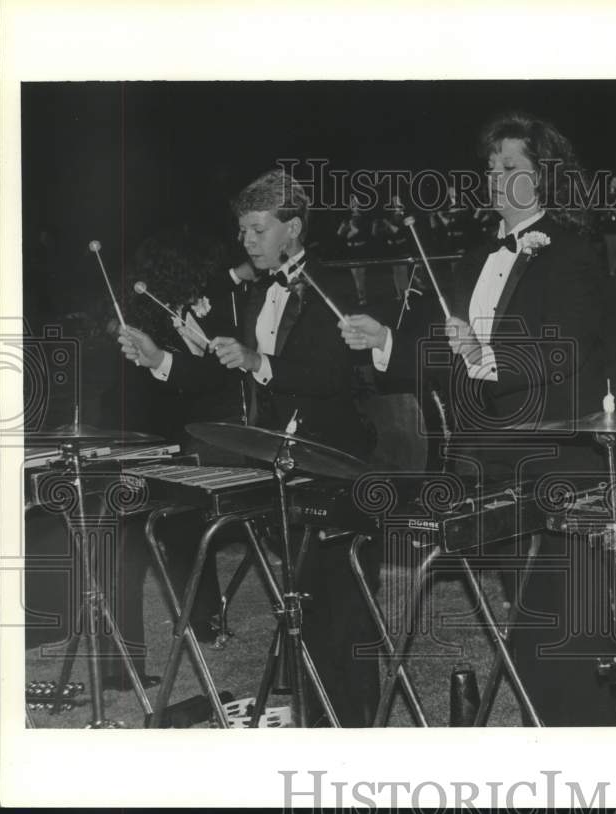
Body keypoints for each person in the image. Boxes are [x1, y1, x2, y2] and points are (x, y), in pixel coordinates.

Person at [340, 112, 616, 726]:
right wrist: (385, 340)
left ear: (545, 178)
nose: (496, 178)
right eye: (492, 168)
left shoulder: (574, 253)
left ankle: (591, 744)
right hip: (487, 460)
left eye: (512, 167)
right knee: (524, 614)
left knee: (566, 622)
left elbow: (562, 347)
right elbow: (444, 352)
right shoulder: (474, 256)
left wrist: (486, 355)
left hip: (556, 458)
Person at [119, 169, 379, 727]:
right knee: (303, 606)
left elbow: (334, 375)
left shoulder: (332, 285)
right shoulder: (254, 293)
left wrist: (260, 362)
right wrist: (158, 360)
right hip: (282, 464)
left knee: (343, 612)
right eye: (242, 231)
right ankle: (312, 719)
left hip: (336, 465)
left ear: (293, 228)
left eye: (258, 229)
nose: (247, 241)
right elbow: (218, 373)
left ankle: (354, 731)